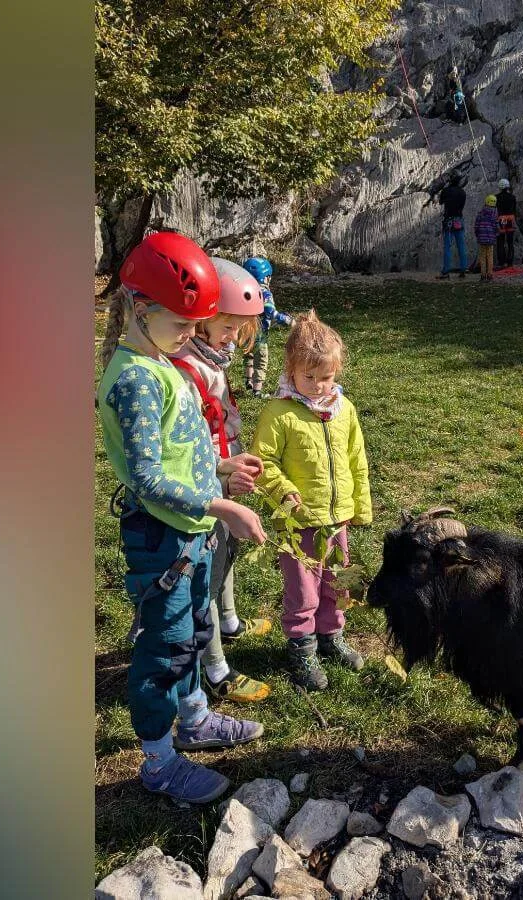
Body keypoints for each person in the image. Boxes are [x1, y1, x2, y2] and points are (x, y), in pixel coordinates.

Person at [96, 231, 267, 805]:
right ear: (141, 312)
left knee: (193, 629)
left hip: (187, 531)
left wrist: (219, 466)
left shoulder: (160, 360)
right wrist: (222, 504)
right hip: (162, 536)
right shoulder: (137, 380)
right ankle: (158, 760)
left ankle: (194, 718)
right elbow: (147, 477)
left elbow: (178, 451)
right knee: (161, 648)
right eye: (183, 324)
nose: (193, 334)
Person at [166, 257, 274, 705]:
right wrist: (221, 470)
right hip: (203, 483)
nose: (235, 339)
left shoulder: (213, 359)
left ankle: (228, 620)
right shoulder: (186, 370)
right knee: (205, 572)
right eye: (229, 327)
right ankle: (216, 668)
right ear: (204, 320)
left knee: (227, 550)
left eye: (241, 330)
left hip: (222, 471)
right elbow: (188, 442)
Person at [249, 311, 372, 692]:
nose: (319, 386)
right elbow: (262, 461)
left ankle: (330, 637)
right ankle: (301, 648)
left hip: (337, 520)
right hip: (299, 522)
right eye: (310, 377)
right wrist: (283, 490)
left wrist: (360, 506)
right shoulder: (279, 413)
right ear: (291, 369)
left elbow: (357, 457)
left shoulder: (343, 410)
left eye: (327, 377)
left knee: (338, 582)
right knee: (302, 588)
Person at [240, 256, 293, 400]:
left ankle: (248, 380)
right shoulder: (265, 293)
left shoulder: (244, 290)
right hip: (259, 333)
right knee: (261, 359)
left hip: (244, 330)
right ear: (266, 277)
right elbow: (269, 310)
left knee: (248, 354)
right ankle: (257, 391)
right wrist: (286, 319)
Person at [437, 172, 467, 279]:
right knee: (461, 245)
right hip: (459, 219)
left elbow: (440, 202)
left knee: (448, 246)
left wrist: (444, 188)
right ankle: (463, 269)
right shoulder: (462, 192)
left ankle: (446, 270)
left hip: (449, 220)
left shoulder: (446, 191)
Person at [474, 194, 499, 281]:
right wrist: (496, 234)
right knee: (490, 256)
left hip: (481, 239)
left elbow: (476, 226)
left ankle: (483, 275)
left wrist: (477, 234)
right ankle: (490, 275)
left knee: (483, 257)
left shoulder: (480, 214)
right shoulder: (495, 214)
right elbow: (496, 227)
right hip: (491, 239)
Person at [494, 178, 517, 269]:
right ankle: (510, 262)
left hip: (501, 219)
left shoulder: (496, 197)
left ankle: (501, 262)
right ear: (508, 186)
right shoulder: (512, 197)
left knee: (500, 241)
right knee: (510, 241)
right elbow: (514, 209)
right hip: (510, 218)